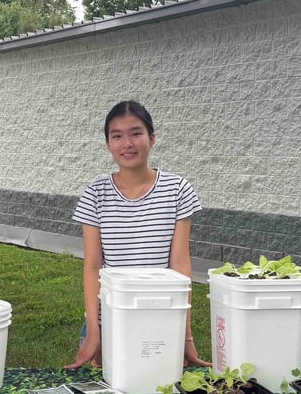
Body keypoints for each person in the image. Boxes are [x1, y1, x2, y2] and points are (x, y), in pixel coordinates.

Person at [65, 100, 211, 369]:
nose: (127, 143)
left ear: (151, 138)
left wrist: (185, 335)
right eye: (117, 136)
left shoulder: (178, 190)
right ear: (108, 144)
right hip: (109, 316)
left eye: (136, 133)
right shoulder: (94, 194)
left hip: (161, 314)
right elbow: (93, 266)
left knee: (158, 389)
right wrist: (95, 332)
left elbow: (179, 266)